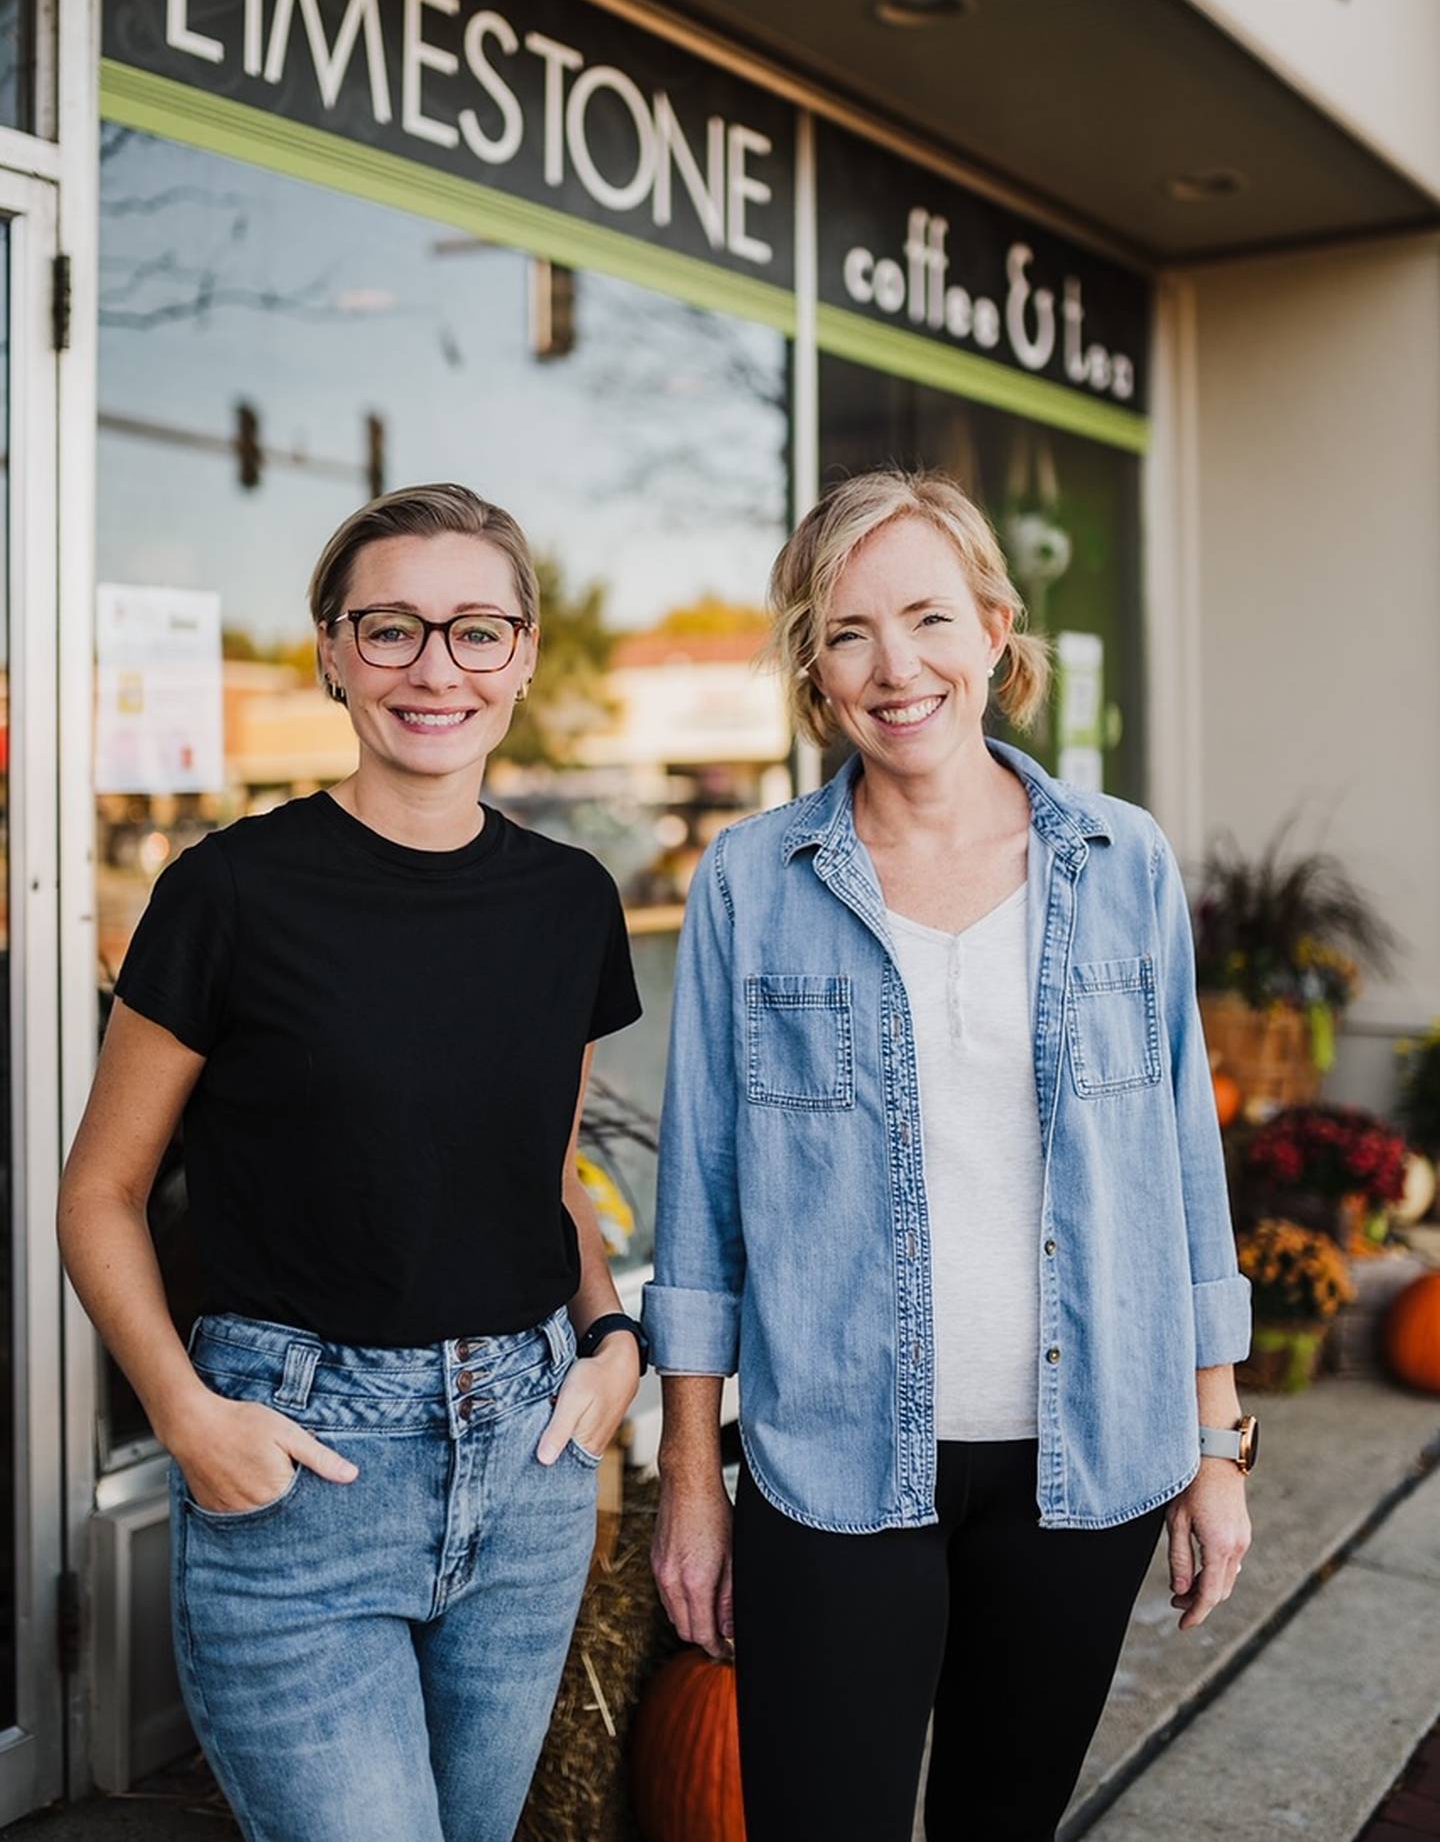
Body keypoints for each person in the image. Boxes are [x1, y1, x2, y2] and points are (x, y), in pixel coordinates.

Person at [645, 468, 1254, 1842]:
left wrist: (1216, 1447)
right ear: (814, 667)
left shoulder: (1122, 862)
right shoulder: (754, 880)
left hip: (1083, 1467)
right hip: (834, 1468)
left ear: (993, 628)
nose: (895, 665)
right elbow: (701, 1213)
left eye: (927, 617)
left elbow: (1180, 1176)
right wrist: (693, 1483)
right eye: (848, 631)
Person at [59, 484, 648, 1842]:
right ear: (329, 651)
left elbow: (546, 1181)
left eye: (475, 631)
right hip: (301, 1469)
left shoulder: (569, 902)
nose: (434, 668)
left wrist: (611, 1340)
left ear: (524, 655)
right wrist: (186, 1416)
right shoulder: (229, 892)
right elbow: (98, 1193)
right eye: (391, 629)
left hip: (527, 1465)